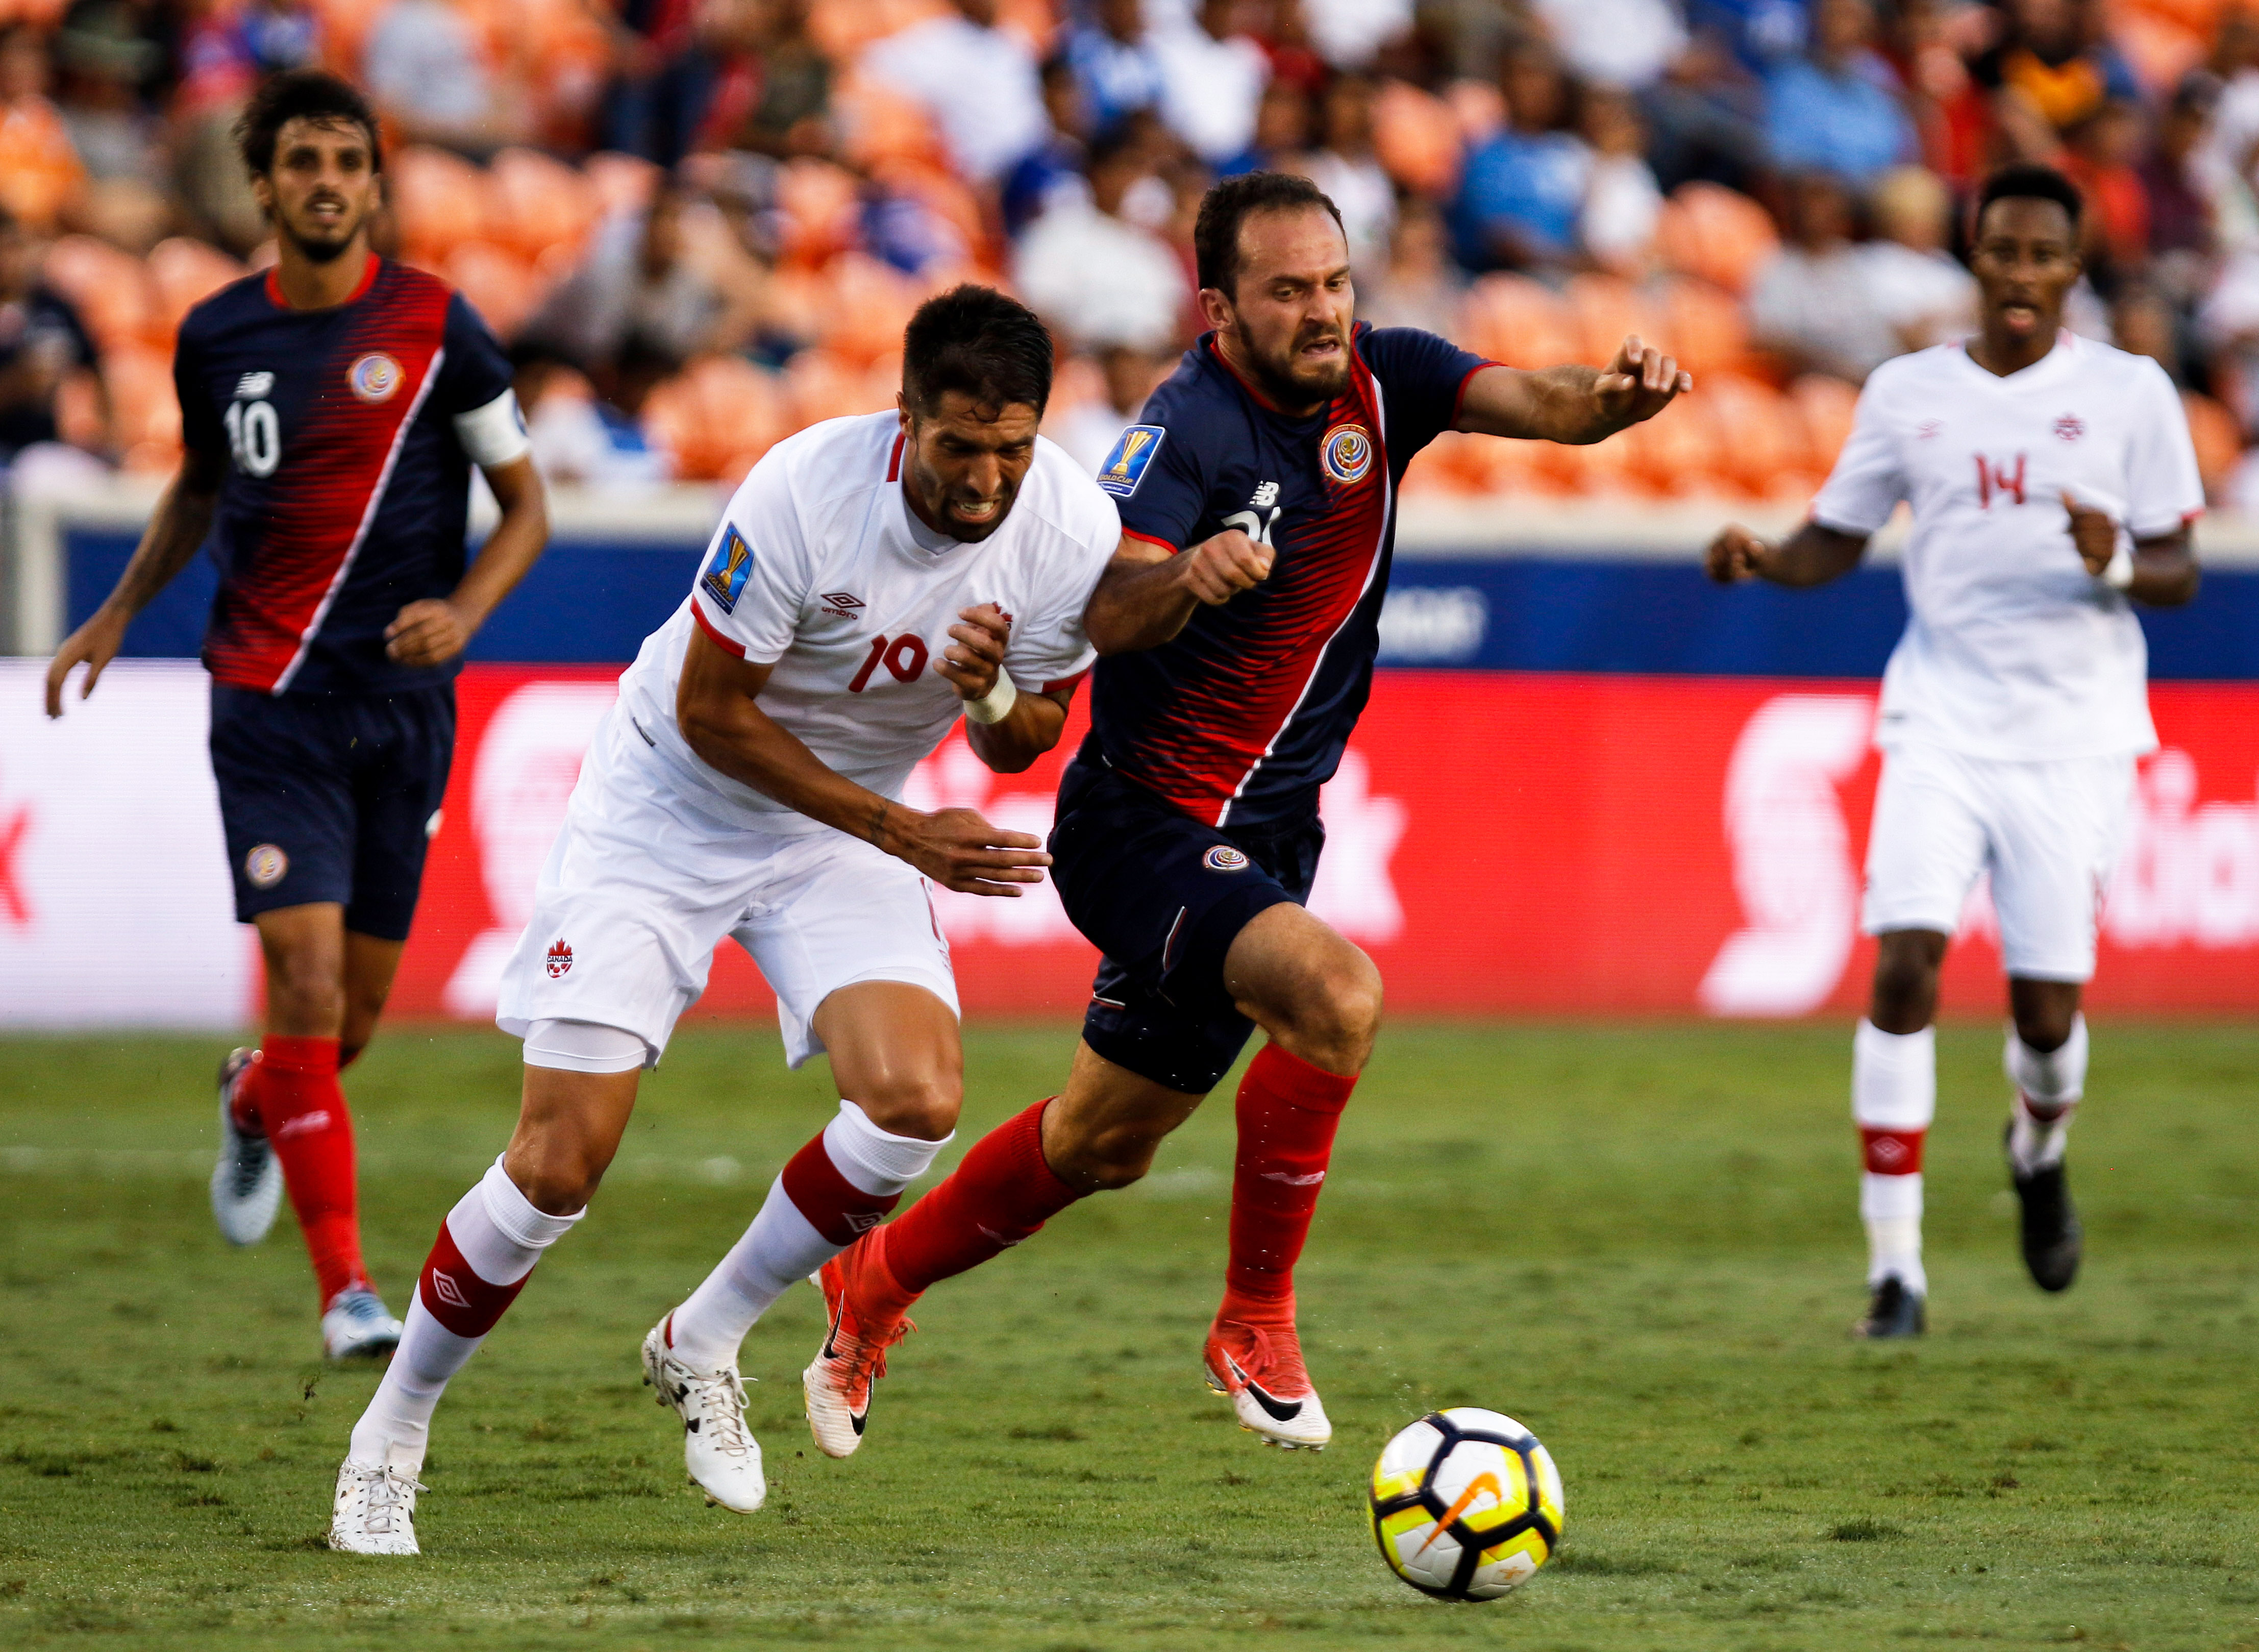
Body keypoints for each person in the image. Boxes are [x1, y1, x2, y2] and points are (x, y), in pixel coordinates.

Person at [803, 170, 1689, 1456]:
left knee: (1099, 1143)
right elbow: (1104, 608)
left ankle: (872, 1279)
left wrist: (1613, 403)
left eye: (1334, 282)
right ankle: (1254, 1319)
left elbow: (1544, 401)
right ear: (1221, 306)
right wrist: (1193, 577)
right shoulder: (1183, 427)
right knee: (1335, 998)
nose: (1323, 311)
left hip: (1264, 838)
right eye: (1288, 291)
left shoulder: (1390, 378)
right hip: (1141, 823)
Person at [326, 285, 1120, 1555]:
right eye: (959, 446)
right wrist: (905, 828)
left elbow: (1037, 734)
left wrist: (991, 696)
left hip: (837, 828)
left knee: (914, 1100)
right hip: (671, 806)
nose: (986, 478)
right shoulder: (803, 492)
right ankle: (392, 1429)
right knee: (558, 1161)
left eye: (1011, 448)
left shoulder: (1071, 523)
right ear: (902, 415)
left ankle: (703, 1337)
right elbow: (714, 712)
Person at [42, 70, 550, 1361]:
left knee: (349, 1024)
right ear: (262, 185)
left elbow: (527, 505)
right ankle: (347, 1292)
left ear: (376, 184)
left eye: (348, 161)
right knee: (309, 982)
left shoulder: (443, 327)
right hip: (266, 702)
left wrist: (467, 612)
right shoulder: (216, 336)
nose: (327, 182)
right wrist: (113, 611)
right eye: (302, 162)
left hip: (403, 708)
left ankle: (253, 1095)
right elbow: (199, 490)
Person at [1704, 164, 2202, 1340]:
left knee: (2044, 1015)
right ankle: (1897, 1270)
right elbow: (1839, 534)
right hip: (1941, 715)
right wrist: (1770, 557)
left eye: (2044, 255)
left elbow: (2181, 569)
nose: (2021, 275)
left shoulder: (2132, 395)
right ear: (1972, 261)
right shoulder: (1907, 393)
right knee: (1903, 963)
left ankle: (2038, 1151)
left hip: (2075, 735)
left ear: (2075, 270)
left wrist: (2117, 561)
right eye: (2002, 252)